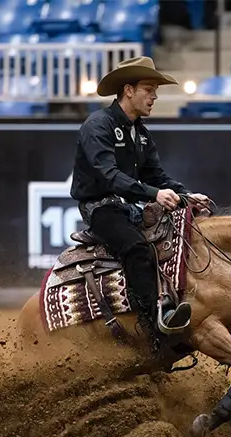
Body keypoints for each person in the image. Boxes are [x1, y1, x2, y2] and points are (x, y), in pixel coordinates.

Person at [70, 56, 211, 346]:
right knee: (136, 247)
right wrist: (154, 195)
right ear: (128, 90)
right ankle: (155, 326)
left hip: (129, 207)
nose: (155, 96)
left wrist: (186, 195)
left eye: (155, 90)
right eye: (149, 88)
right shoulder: (98, 125)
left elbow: (156, 175)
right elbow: (109, 176)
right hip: (100, 208)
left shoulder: (141, 134)